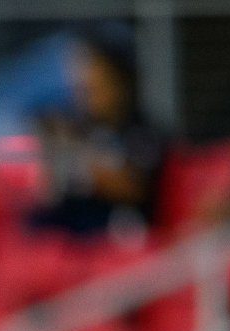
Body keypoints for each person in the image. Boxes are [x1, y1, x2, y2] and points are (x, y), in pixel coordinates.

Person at [31, 37, 165, 238]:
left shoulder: (141, 131)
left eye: (95, 89)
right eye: (83, 91)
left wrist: (83, 166)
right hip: (75, 223)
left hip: (120, 227)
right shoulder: (84, 128)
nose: (86, 98)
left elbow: (134, 188)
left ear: (121, 84)